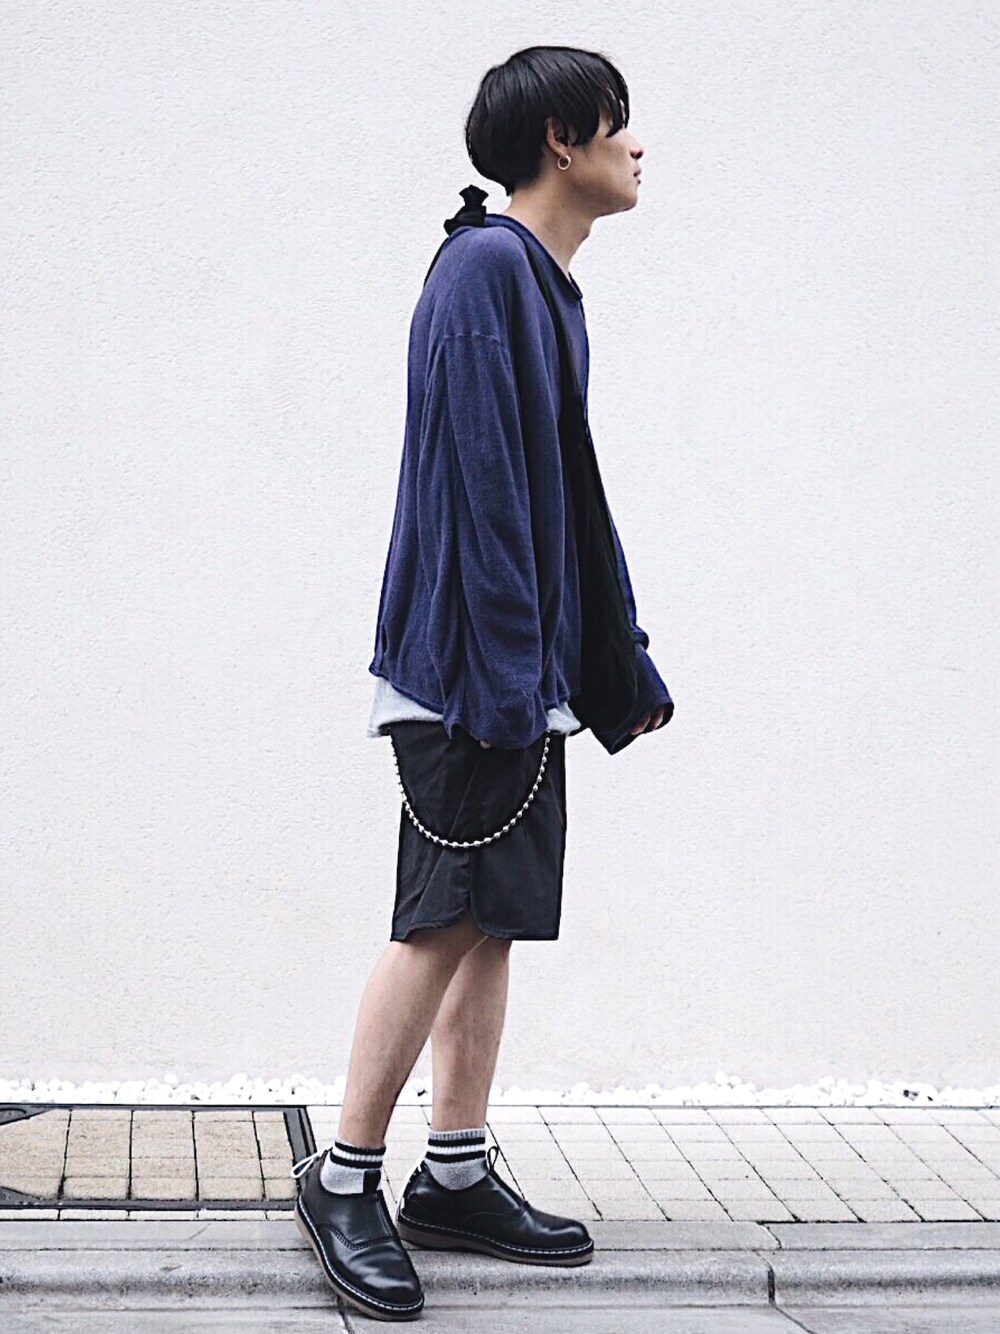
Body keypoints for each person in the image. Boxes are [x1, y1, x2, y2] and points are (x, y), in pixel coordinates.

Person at [292, 44, 673, 1321]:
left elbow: (569, 500)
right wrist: (507, 680)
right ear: (562, 138)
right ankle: (344, 1173)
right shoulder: (483, 271)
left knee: (490, 917)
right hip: (471, 674)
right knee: (441, 915)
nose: (638, 146)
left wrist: (612, 664)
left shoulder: (543, 284)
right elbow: (479, 493)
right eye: (618, 125)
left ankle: (452, 1172)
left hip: (516, 673)